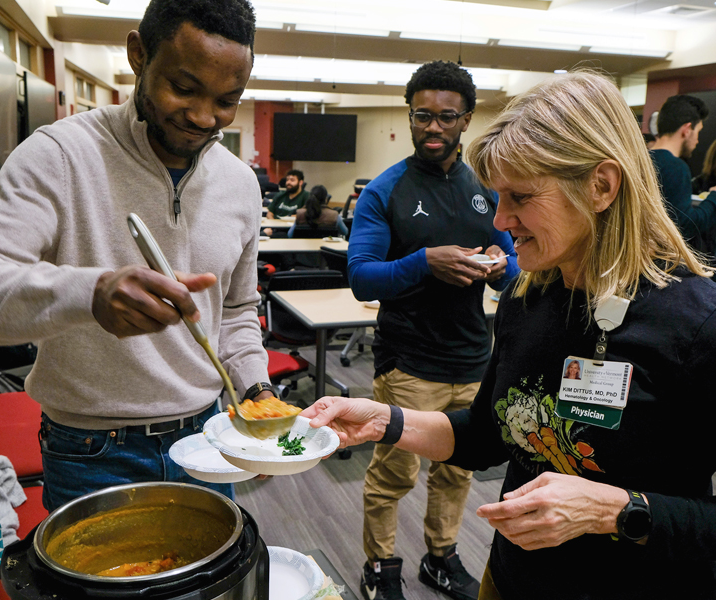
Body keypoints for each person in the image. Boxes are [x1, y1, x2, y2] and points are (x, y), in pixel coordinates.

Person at [306, 71, 716, 600]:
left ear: (601, 185)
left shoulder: (697, 325)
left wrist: (615, 510)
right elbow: (485, 435)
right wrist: (386, 420)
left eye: (520, 197)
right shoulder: (527, 298)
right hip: (510, 579)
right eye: (497, 198)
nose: (501, 219)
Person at [0, 0, 277, 512]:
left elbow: (239, 310)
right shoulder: (59, 155)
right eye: (183, 88)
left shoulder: (241, 183)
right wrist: (90, 293)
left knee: (205, 590)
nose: (204, 117)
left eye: (227, 100)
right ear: (138, 55)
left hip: (208, 436)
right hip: (91, 449)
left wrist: (255, 387)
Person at [347, 60, 519, 600]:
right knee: (393, 476)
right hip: (409, 362)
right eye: (422, 116)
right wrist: (424, 262)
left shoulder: (488, 190)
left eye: (447, 117)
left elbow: (517, 264)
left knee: (457, 470)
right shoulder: (385, 191)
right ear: (411, 115)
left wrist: (500, 263)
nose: (434, 128)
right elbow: (360, 277)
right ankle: (381, 567)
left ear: (466, 119)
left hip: (473, 358)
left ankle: (440, 558)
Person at [649, 95, 716, 254]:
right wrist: (713, 198)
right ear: (686, 130)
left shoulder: (641, 160)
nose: (698, 140)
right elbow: (685, 226)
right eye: (698, 131)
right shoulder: (676, 167)